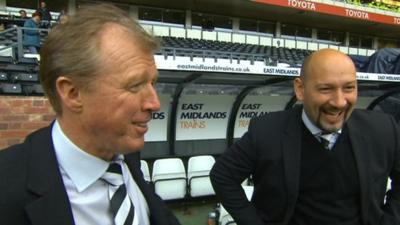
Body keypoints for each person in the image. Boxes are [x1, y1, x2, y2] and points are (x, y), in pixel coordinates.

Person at [0, 4, 180, 225]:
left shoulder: (125, 156)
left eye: (152, 83)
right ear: (73, 93)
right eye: (134, 85)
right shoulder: (7, 187)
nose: (155, 103)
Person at [210, 48, 400, 225]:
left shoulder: (383, 129)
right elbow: (222, 176)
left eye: (349, 88)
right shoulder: (267, 130)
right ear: (300, 89)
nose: (340, 102)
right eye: (326, 89)